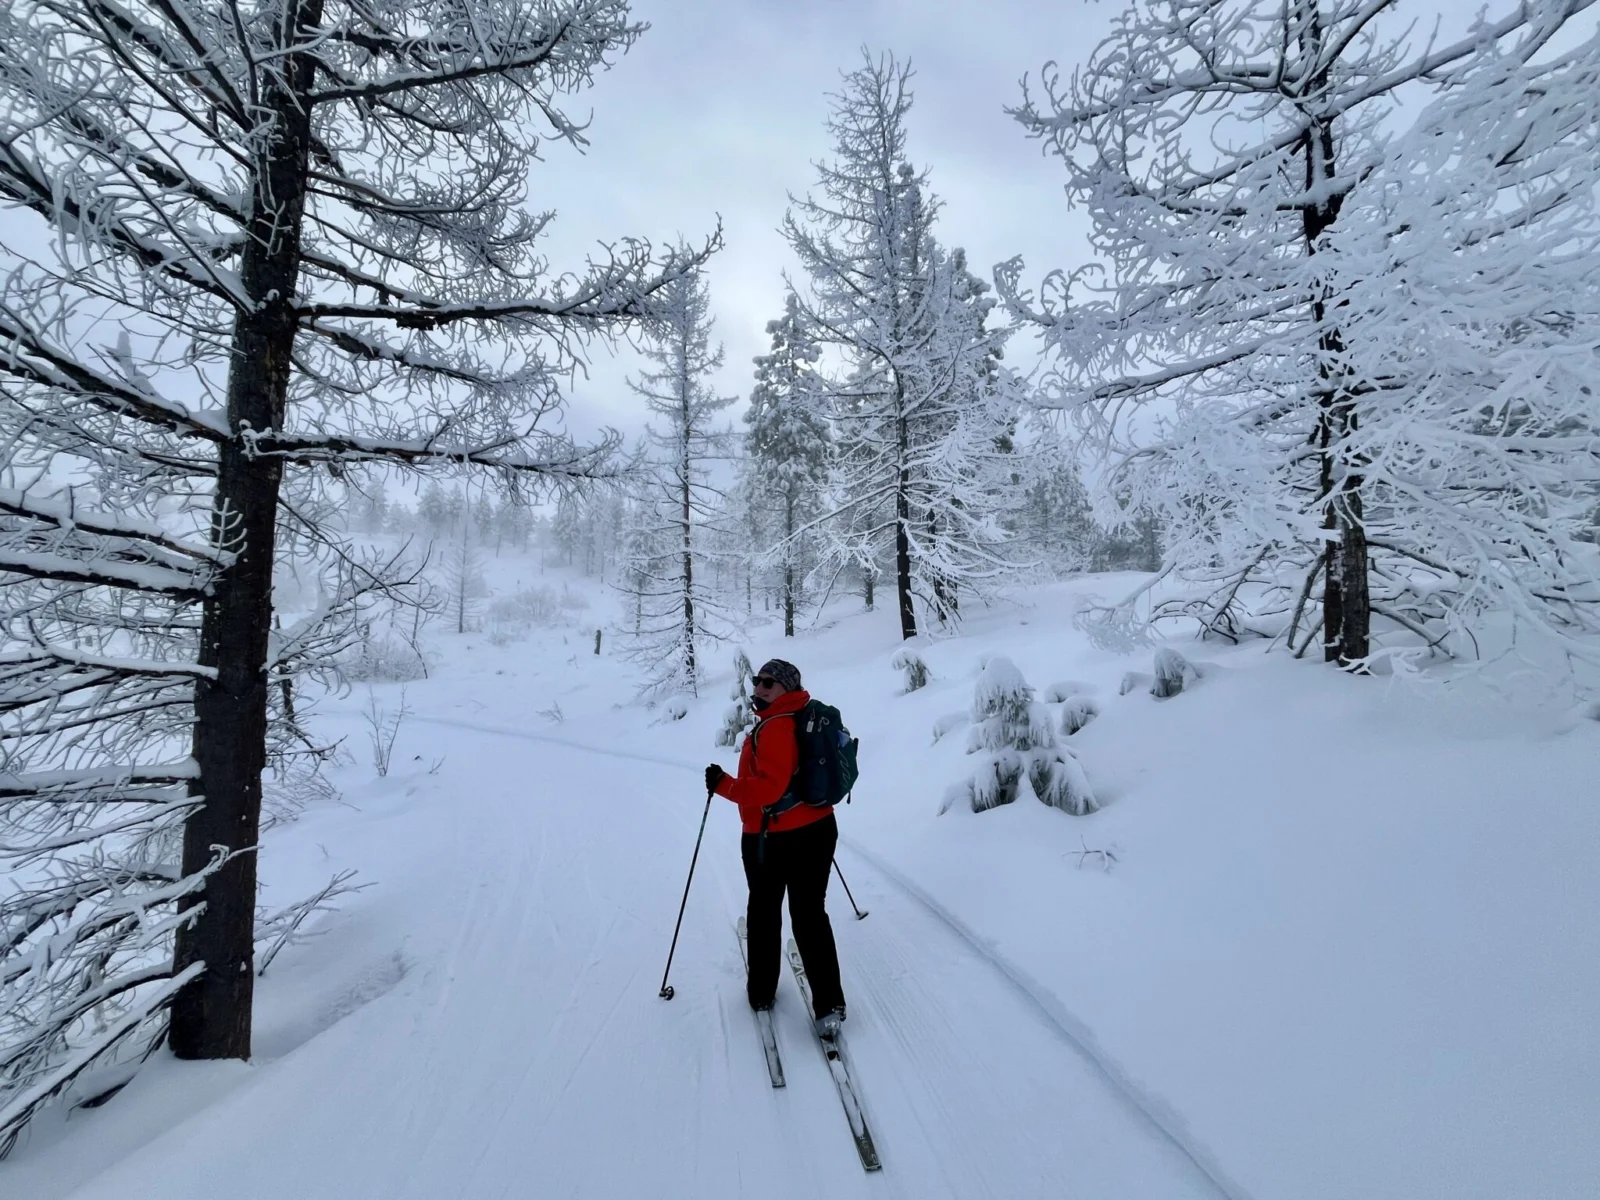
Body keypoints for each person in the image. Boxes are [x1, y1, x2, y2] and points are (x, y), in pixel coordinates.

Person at [706, 658, 847, 1038]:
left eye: (770, 682)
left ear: (787, 687)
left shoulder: (778, 726)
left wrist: (724, 785)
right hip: (817, 829)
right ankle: (829, 1004)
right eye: (757, 680)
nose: (761, 687)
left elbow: (769, 787)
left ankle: (762, 992)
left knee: (766, 911)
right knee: (809, 914)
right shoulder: (800, 717)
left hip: (772, 837)